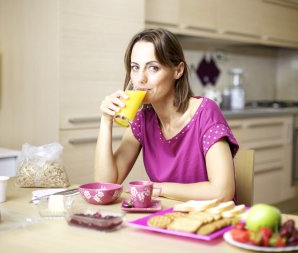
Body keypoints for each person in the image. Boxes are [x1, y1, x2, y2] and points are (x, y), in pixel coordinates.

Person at [94, 28, 239, 202]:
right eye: (135, 67)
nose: (140, 79)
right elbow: (106, 184)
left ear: (178, 71)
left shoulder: (205, 113)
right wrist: (106, 121)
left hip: (210, 221)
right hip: (165, 218)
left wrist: (158, 188)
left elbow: (222, 192)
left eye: (153, 68)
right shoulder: (143, 120)